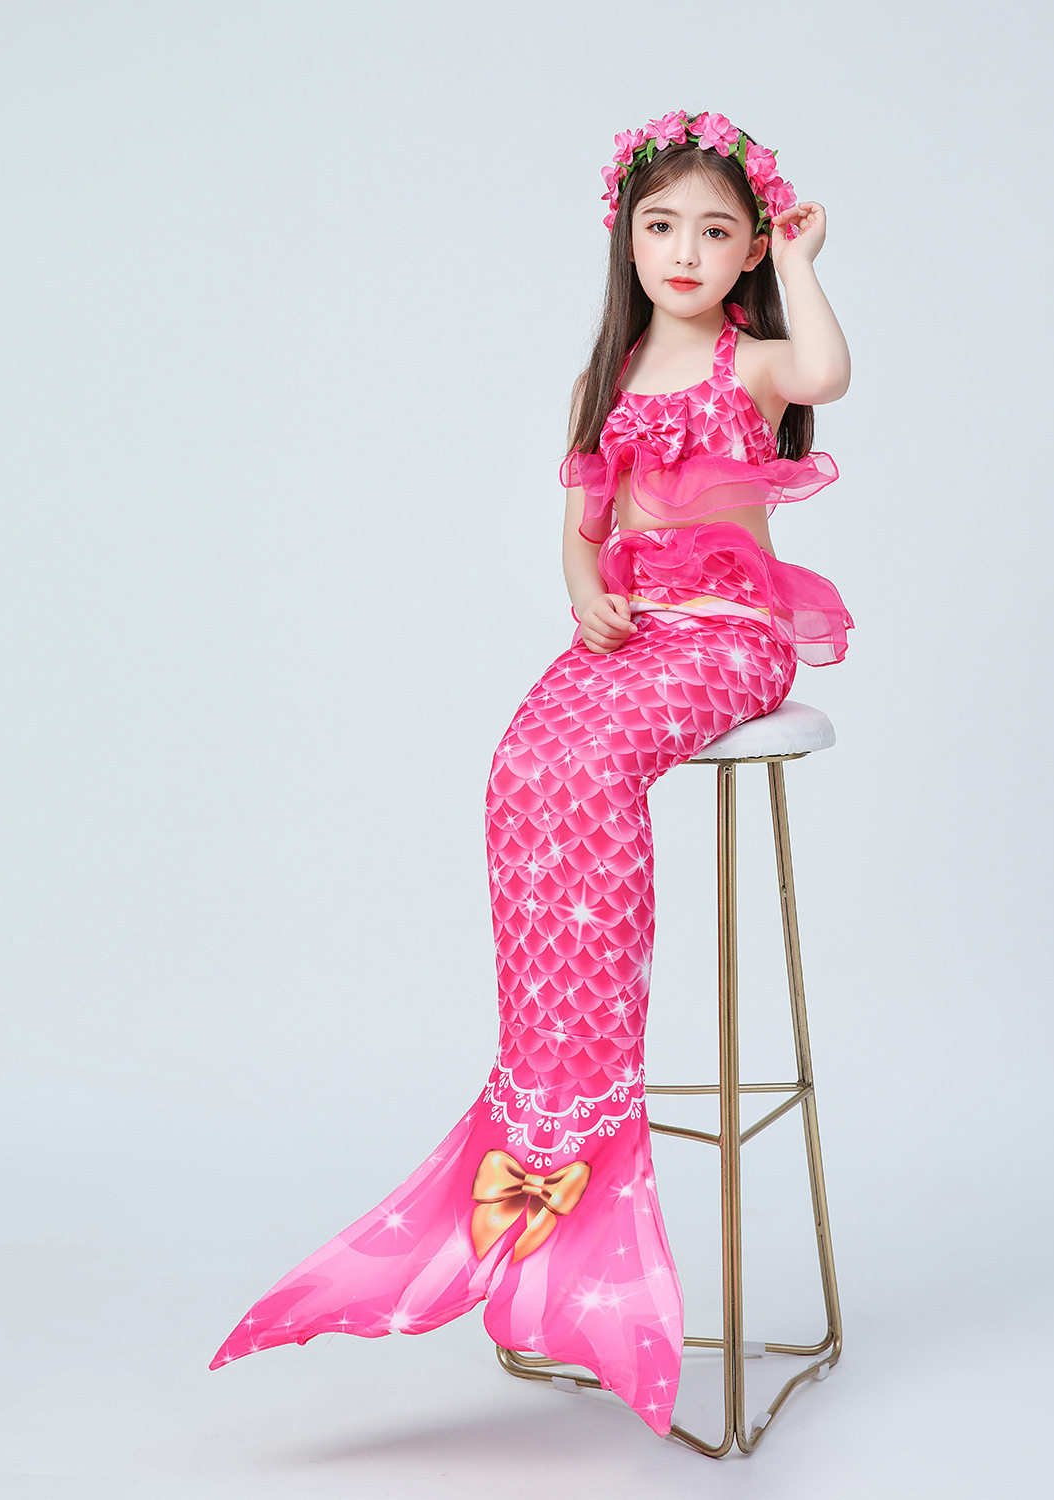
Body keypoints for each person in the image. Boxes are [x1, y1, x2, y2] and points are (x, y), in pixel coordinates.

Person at [209, 108, 853, 1439]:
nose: (685, 251)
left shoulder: (749, 360)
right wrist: (585, 594)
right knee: (522, 766)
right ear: (628, 237)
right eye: (661, 226)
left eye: (716, 231)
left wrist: (802, 261)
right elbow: (582, 526)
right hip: (631, 634)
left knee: (597, 762)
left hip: (727, 639)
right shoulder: (609, 380)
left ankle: (595, 1079)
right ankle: (541, 1071)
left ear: (747, 252)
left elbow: (829, 372)